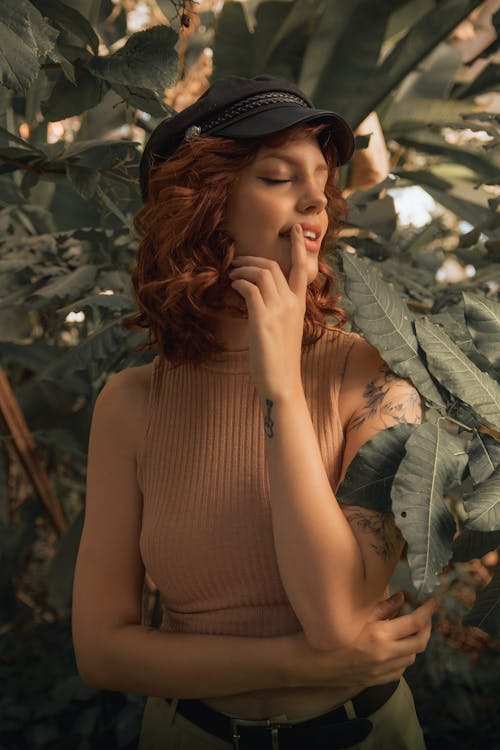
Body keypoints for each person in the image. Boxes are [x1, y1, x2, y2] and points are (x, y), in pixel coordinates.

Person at [72, 75, 437, 750]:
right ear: (204, 204)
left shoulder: (371, 375)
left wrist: (282, 387)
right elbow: (101, 650)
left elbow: (335, 615)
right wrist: (299, 665)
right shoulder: (130, 404)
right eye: (278, 177)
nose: (315, 202)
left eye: (322, 182)